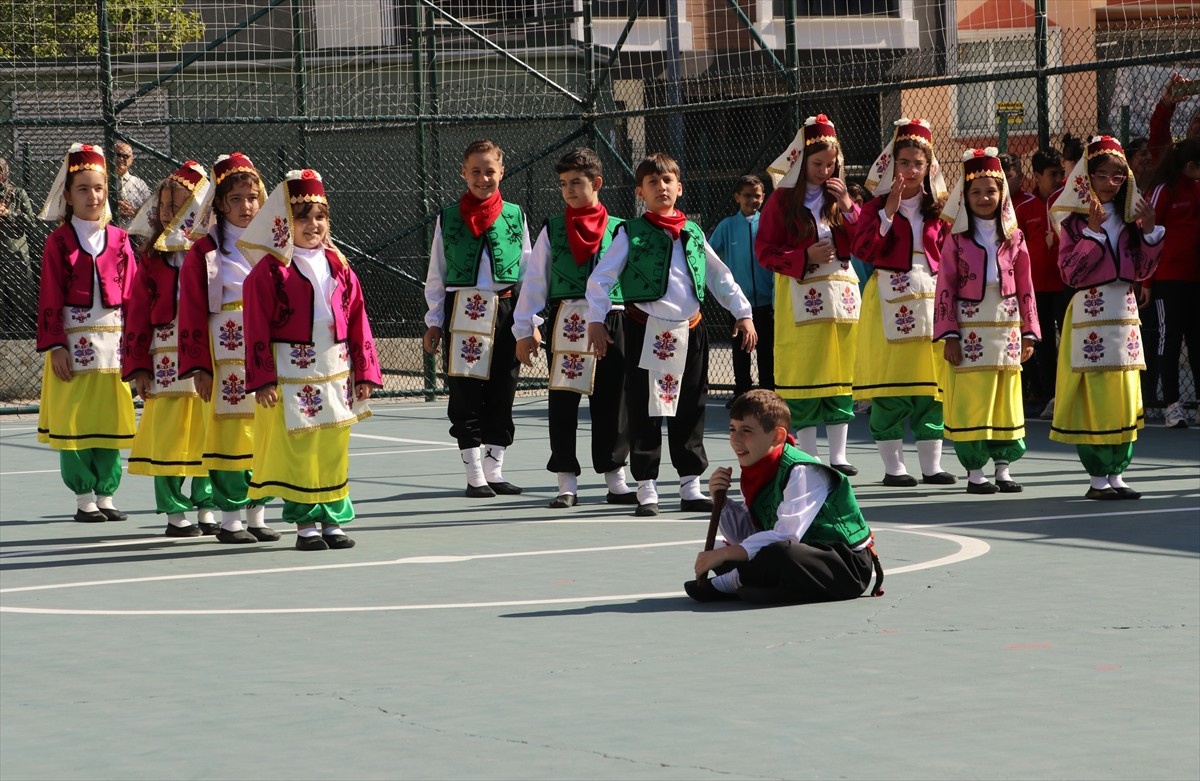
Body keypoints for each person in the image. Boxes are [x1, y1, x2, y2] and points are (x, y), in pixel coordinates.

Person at [585, 152, 757, 517]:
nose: (661, 187)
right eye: (652, 182)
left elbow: (719, 275)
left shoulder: (693, 233)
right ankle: (646, 486)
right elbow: (601, 278)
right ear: (640, 192)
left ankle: (689, 484)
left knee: (691, 405)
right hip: (645, 328)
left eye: (667, 181)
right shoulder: (629, 233)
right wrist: (597, 320)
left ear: (679, 187)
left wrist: (742, 313)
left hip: (690, 330)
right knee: (644, 407)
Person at [238, 169, 382, 549]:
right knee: (300, 447)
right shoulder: (269, 271)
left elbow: (358, 320)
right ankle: (305, 525)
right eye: (303, 217)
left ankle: (333, 520)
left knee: (334, 443)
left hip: (335, 370)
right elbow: (255, 328)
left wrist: (365, 371)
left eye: (320, 216)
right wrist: (263, 379)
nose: (313, 225)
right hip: (291, 372)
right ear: (285, 222)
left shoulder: (340, 265)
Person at [511, 147, 636, 508]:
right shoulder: (552, 229)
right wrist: (526, 327)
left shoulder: (620, 229)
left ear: (596, 183)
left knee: (613, 400)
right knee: (564, 401)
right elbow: (536, 280)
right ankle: (566, 482)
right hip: (567, 317)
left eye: (576, 183)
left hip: (612, 318)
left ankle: (615, 478)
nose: (568, 190)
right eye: (563, 184)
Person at [683, 389, 883, 604]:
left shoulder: (802, 471)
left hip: (844, 566)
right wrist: (721, 502)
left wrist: (728, 555)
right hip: (800, 558)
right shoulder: (756, 468)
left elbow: (787, 535)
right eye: (732, 429)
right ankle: (766, 586)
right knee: (719, 548)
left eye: (746, 430)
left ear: (777, 436)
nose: (735, 439)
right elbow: (744, 536)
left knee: (779, 551)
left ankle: (733, 583)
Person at [1049, 136, 1165, 500]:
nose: (1112, 183)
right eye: (1104, 176)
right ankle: (1098, 475)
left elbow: (1143, 268)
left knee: (1124, 392)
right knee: (1097, 392)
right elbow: (1070, 273)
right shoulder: (1072, 223)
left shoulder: (1132, 221)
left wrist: (1149, 233)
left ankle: (1118, 473)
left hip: (1124, 312)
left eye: (1119, 176)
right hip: (1091, 316)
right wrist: (1094, 234)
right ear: (1087, 177)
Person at [851, 118, 956, 487]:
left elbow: (951, 256)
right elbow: (861, 250)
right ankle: (894, 467)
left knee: (931, 385)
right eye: (904, 162)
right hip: (887, 300)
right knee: (892, 385)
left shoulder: (941, 210)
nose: (910, 170)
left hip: (930, 300)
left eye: (918, 163)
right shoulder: (875, 207)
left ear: (929, 168)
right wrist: (887, 214)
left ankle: (932, 465)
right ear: (891, 164)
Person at [35, 143, 137, 523]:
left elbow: (133, 298)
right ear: (67, 195)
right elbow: (49, 296)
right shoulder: (58, 242)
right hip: (73, 347)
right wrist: (56, 345)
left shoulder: (121, 240)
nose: (92, 196)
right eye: (83, 189)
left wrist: (136, 348)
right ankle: (83, 497)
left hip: (113, 346)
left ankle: (106, 494)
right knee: (75, 419)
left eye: (98, 188)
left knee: (109, 418)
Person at [423, 139, 531, 497]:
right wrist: (434, 320)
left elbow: (528, 272)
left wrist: (529, 322)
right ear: (464, 173)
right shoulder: (449, 217)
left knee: (504, 387)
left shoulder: (515, 215)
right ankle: (474, 474)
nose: (483, 178)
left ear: (501, 172)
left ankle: (494, 468)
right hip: (462, 310)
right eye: (476, 171)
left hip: (506, 308)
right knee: (466, 392)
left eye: (490, 171)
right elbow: (437, 272)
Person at [178, 152, 278, 541]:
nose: (246, 206)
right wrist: (199, 366)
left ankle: (258, 515)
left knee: (265, 432)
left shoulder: (274, 246)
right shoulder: (203, 252)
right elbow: (190, 314)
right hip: (225, 359)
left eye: (252, 197)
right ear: (219, 203)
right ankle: (230, 518)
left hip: (267, 356)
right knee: (229, 434)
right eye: (235, 199)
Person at [756, 113, 862, 474]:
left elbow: (865, 240)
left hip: (841, 297)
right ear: (800, 161)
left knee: (840, 370)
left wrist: (848, 205)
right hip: (800, 296)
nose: (824, 170)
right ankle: (810, 454)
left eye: (831, 164)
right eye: (817, 163)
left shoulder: (840, 197)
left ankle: (839, 455)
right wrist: (803, 256)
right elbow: (764, 251)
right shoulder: (782, 201)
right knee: (807, 371)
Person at [934, 148, 1040, 494]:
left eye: (991, 191)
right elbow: (945, 286)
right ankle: (975, 471)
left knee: (1005, 394)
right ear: (965, 196)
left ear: (1002, 193)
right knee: (973, 395)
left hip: (1007, 323)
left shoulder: (1015, 237)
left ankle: (1003, 467)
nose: (983, 198)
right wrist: (949, 334)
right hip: (968, 326)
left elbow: (1026, 285)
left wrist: (1029, 332)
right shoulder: (957, 239)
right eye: (975, 191)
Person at [122, 162, 218, 537]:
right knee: (168, 436)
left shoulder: (212, 255)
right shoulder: (151, 259)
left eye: (177, 204)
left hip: (205, 358)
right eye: (163, 204)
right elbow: (137, 316)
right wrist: (139, 366)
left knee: (206, 432)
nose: (166, 212)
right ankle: (174, 511)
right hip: (164, 361)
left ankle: (207, 504)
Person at [1145, 139, 1200, 429]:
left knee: (1197, 341)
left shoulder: (1197, 188)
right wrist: (1147, 281)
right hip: (1167, 279)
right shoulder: (1163, 190)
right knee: (1169, 340)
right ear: (1190, 166)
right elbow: (1148, 234)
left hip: (1194, 278)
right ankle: (1171, 405)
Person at [708, 174, 774, 402]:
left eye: (757, 196)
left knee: (766, 350)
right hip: (738, 303)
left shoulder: (768, 222)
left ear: (763, 197)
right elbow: (711, 254)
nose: (752, 200)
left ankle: (768, 392)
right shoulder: (727, 226)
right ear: (737, 197)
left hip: (767, 301)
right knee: (740, 350)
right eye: (747, 195)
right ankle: (742, 392)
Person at [1015, 148, 1067, 419]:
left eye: (1061, 172)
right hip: (1036, 289)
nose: (1059, 178)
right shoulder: (1024, 208)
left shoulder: (1068, 202)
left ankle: (1068, 394)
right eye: (1052, 174)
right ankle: (1048, 395)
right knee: (1043, 343)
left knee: (1068, 340)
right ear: (1036, 176)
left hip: (1063, 285)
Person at [0, 157, 39, 336]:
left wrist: (9, 213)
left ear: (6, 172)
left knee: (22, 302)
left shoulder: (18, 193)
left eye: (0, 170)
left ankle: (21, 334)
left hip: (15, 255)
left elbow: (32, 222)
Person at [1148, 73, 1200, 165]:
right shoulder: (1174, 158)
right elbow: (1159, 135)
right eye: (1197, 120)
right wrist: (1166, 103)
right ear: (1188, 129)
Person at [113, 141, 152, 229]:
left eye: (125, 156)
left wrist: (133, 212)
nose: (121, 159)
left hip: (134, 233)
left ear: (131, 160)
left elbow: (150, 211)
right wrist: (113, 210)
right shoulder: (103, 182)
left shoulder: (139, 183)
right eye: (118, 155)